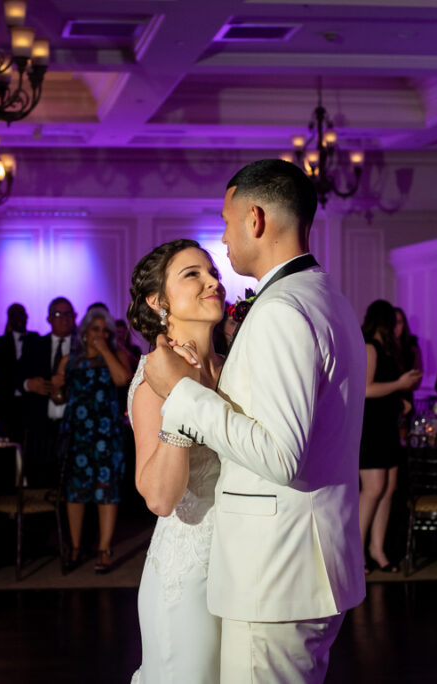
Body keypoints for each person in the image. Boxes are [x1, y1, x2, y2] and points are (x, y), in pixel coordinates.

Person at [142, 159, 367, 683]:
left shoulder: (283, 310)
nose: (222, 238)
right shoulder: (325, 297)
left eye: (224, 221)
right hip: (298, 563)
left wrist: (181, 393)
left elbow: (281, 455)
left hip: (276, 573)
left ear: (256, 219)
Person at [126, 238, 225, 682]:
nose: (213, 282)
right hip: (190, 576)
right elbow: (161, 499)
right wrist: (181, 397)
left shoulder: (236, 366)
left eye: (213, 273)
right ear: (157, 301)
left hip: (248, 565)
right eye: (193, 275)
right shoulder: (153, 380)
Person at [53, 306, 133, 573]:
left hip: (106, 432)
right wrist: (55, 388)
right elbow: (60, 399)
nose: (100, 334)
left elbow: (123, 379)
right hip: (77, 432)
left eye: (105, 330)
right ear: (85, 331)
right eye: (95, 329)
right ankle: (75, 547)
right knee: (75, 492)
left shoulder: (116, 354)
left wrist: (106, 351)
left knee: (105, 490)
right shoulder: (69, 361)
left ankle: (105, 548)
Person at [360, 300, 422, 574]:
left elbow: (386, 390)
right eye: (394, 322)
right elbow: (365, 389)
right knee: (373, 490)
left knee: (387, 490)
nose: (399, 327)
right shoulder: (370, 347)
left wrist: (401, 400)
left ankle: (378, 548)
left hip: (387, 426)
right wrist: (399, 385)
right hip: (370, 428)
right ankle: (357, 552)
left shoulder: (391, 350)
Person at [16, 297, 76, 487]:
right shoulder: (34, 344)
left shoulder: (82, 347)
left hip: (74, 423)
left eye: (68, 314)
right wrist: (28, 384)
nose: (64, 319)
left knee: (72, 478)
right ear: (49, 319)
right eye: (58, 314)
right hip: (41, 424)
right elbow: (15, 376)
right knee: (40, 477)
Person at [0, 303, 39, 442]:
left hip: (30, 402)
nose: (20, 319)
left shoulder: (36, 340)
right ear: (9, 319)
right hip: (5, 404)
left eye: (22, 315)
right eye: (15, 316)